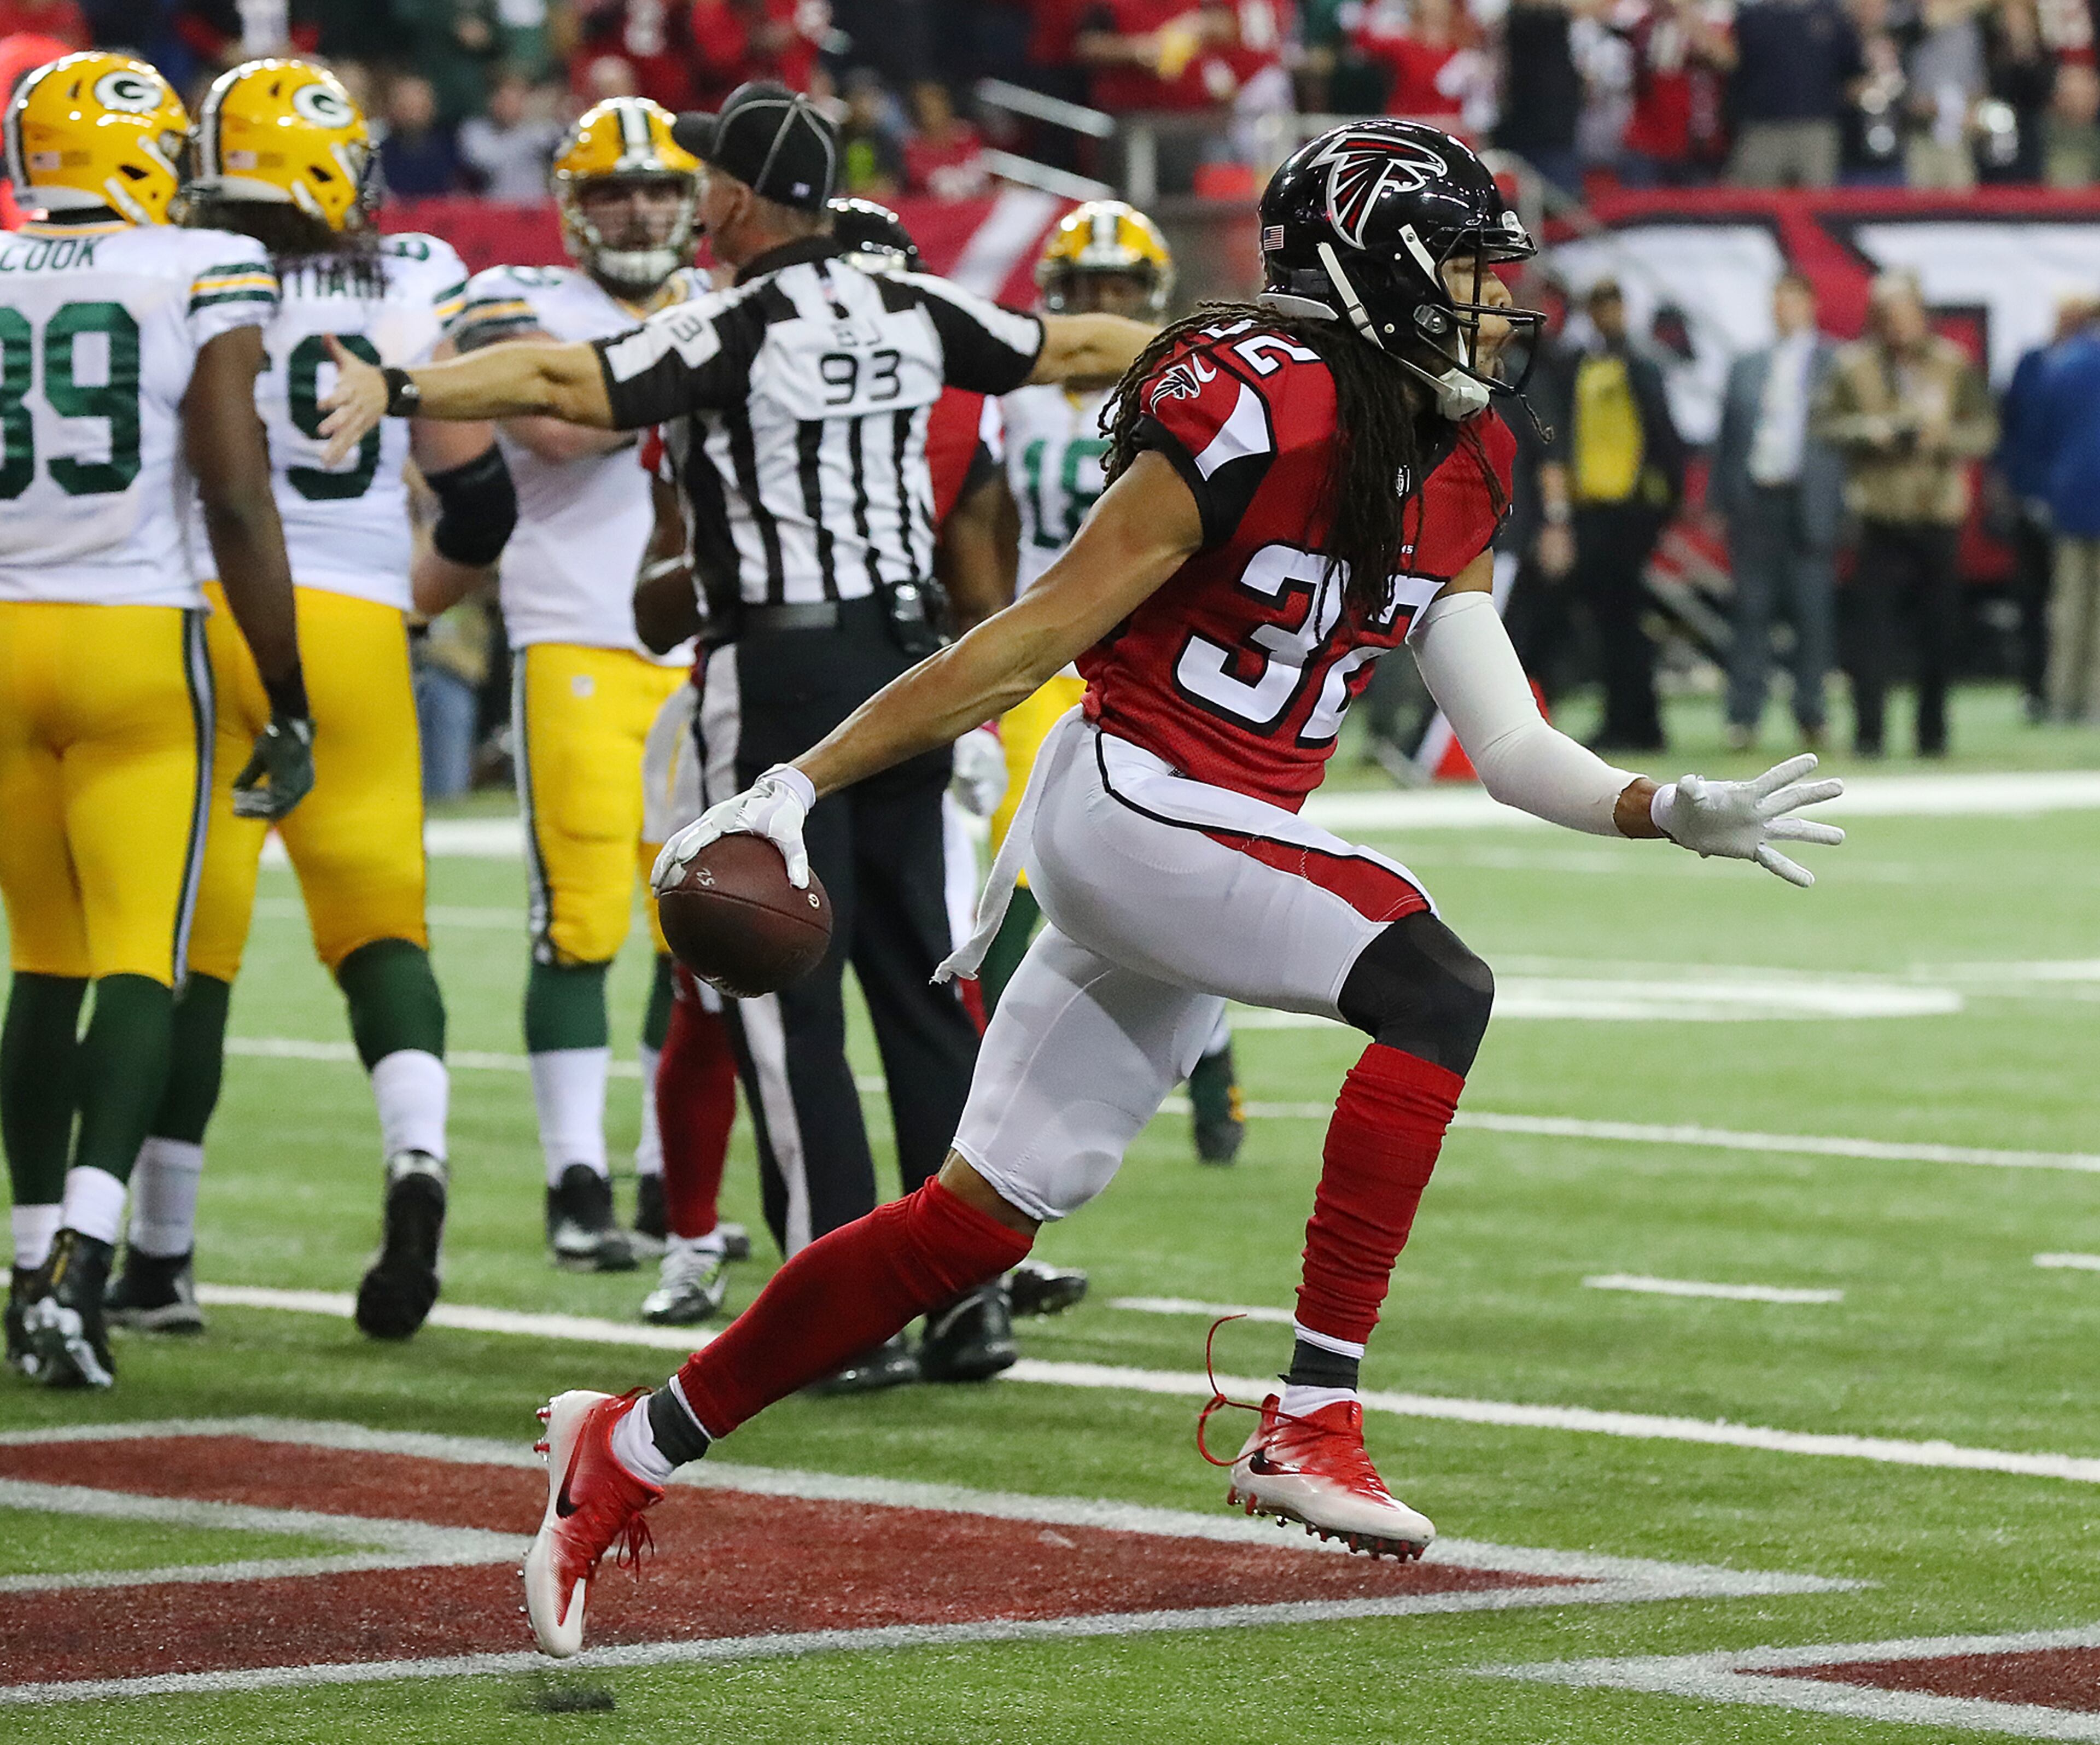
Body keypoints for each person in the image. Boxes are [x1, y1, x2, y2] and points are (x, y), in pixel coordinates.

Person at [407, 119, 1845, 1660]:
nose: (1501, 302)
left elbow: (1503, 740)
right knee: (1435, 982)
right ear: (1372, 267)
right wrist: (796, 782)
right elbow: (1028, 634)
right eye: (1470, 270)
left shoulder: (1462, 451)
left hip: (1207, 838)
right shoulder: (1253, 405)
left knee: (969, 1227)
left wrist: (1660, 807)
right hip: (1134, 801)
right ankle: (1312, 1409)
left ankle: (623, 1445)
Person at [316, 78, 1159, 1393]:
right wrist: (1233, 346)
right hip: (905, 660)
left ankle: (844, 1306)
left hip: (775, 668)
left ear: (745, 197)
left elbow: (556, 377)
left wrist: (404, 380)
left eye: (709, 179)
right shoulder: (915, 303)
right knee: (919, 980)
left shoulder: (728, 323)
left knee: (784, 1002)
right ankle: (962, 1296)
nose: (694, 197)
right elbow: (1075, 348)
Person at [102, 58, 514, 1346]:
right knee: (381, 922)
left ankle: (160, 1253)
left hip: (207, 619)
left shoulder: (181, 267)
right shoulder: (414, 278)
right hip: (351, 619)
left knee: (193, 950)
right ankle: (417, 1161)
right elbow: (482, 504)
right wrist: (397, 600)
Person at [1, 52, 313, 1387]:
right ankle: (82, 1255)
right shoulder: (197, 261)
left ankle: (24, 1261)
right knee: (141, 955)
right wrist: (286, 686)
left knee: (45, 961)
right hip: (133, 633)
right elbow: (236, 492)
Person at [420, 97, 704, 1275]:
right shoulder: (521, 302)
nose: (636, 209)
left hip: (699, 649)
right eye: (610, 191)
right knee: (579, 921)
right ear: (572, 211)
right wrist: (698, 354)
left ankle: (663, 1169)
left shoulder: (719, 299)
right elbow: (547, 427)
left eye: (654, 189)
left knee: (698, 930)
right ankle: (574, 1175)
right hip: (571, 636)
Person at [985, 199, 1245, 1168]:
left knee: (1172, 880)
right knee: (1022, 870)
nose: (1098, 309)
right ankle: (1002, 1072)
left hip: (1149, 661)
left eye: (1117, 292)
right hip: (1044, 658)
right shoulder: (1015, 400)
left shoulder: (1185, 401)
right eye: (1083, 292)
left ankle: (1214, 1066)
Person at [1812, 270, 1995, 757]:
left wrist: (1945, 440)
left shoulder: (1952, 365)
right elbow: (1824, 425)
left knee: (1939, 629)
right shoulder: (1853, 367)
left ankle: (1932, 733)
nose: (1897, 326)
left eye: (1905, 314)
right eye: (1887, 316)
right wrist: (1869, 432)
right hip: (1879, 511)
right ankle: (1869, 733)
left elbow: (1983, 429)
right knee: (1870, 632)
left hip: (1936, 510)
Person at [1535, 277, 1684, 751]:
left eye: (1611, 304)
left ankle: (1637, 721)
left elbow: (1664, 437)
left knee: (1623, 622)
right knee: (1611, 622)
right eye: (1597, 306)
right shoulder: (1586, 365)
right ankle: (1627, 717)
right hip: (1592, 509)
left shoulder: (1638, 365)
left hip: (1626, 510)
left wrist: (1661, 510)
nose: (1606, 315)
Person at [1711, 270, 1841, 751]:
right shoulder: (1746, 365)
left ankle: (1813, 712)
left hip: (1808, 501)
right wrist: (1720, 500)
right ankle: (1743, 715)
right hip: (1755, 501)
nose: (1782, 311)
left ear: (1810, 305)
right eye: (1776, 301)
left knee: (1813, 613)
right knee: (1751, 612)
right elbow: (1728, 439)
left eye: (1790, 301)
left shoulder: (1836, 363)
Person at [2032, 300, 2100, 723]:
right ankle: (2095, 702)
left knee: (2069, 607)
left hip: (2070, 495)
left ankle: (2062, 698)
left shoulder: (2063, 364)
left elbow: (2040, 434)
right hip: (2079, 493)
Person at [1728, 0, 1863, 187]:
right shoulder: (1752, 18)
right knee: (1754, 206)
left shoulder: (1833, 17)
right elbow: (1731, 67)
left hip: (1817, 128)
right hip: (1763, 129)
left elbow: (1854, 73)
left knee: (1816, 207)